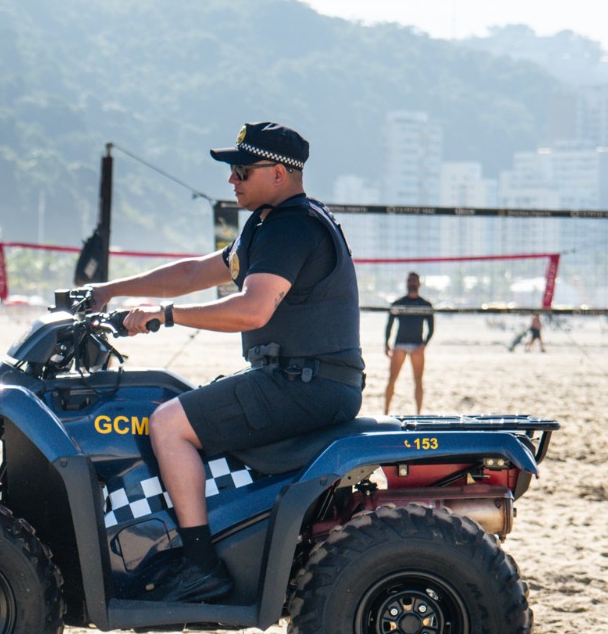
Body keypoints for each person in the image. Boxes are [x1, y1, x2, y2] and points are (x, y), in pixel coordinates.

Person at [90, 122, 364, 603]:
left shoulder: (291, 227)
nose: (231, 180)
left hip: (305, 384)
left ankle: (200, 565)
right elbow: (197, 271)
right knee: (177, 401)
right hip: (297, 378)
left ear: (277, 173)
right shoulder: (267, 223)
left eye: (241, 169)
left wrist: (166, 316)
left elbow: (252, 309)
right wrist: (111, 290)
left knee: (169, 423)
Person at [382, 271, 433, 413]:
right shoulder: (398, 304)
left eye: (414, 281)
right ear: (406, 283)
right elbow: (389, 325)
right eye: (410, 281)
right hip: (400, 345)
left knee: (418, 380)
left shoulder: (425, 305)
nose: (412, 283)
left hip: (417, 345)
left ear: (419, 283)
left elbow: (431, 329)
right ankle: (385, 411)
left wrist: (424, 345)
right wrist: (386, 344)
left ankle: (419, 413)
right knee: (392, 379)